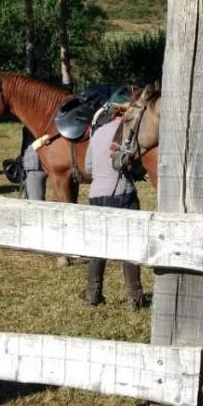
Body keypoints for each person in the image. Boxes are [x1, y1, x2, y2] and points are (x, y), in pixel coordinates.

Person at [82, 104, 143, 310]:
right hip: (122, 194)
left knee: (98, 245)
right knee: (130, 243)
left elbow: (88, 167)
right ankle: (134, 297)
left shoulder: (98, 133)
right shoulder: (128, 131)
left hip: (96, 194)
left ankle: (93, 292)